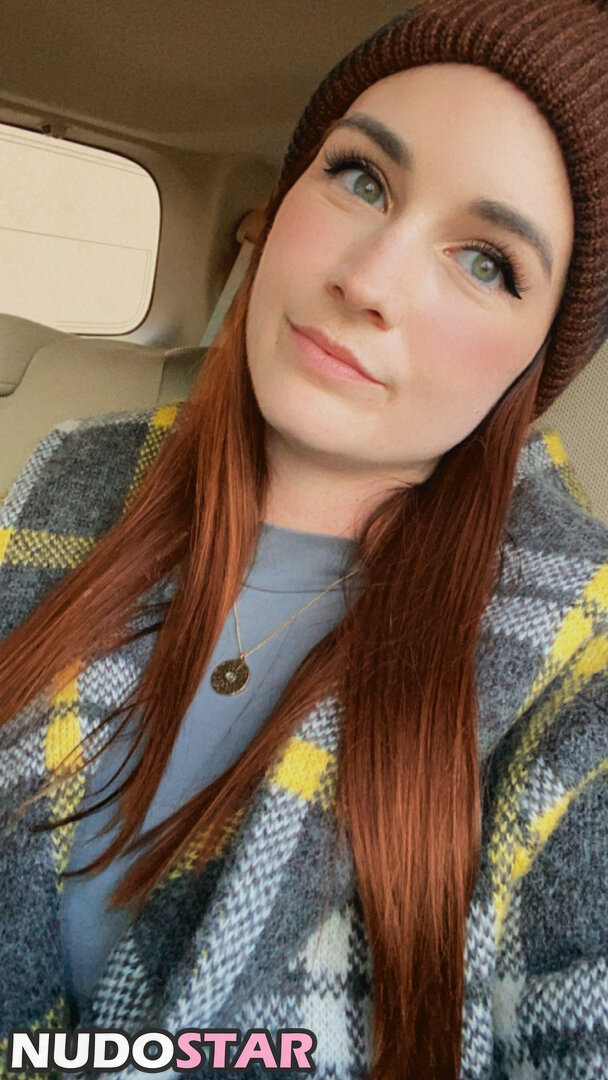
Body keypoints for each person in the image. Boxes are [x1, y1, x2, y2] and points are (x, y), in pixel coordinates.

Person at [0, 0, 607, 1077]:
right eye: (361, 178)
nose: (366, 282)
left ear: (535, 358)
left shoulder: (575, 672)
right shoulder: (65, 482)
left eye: (486, 262)